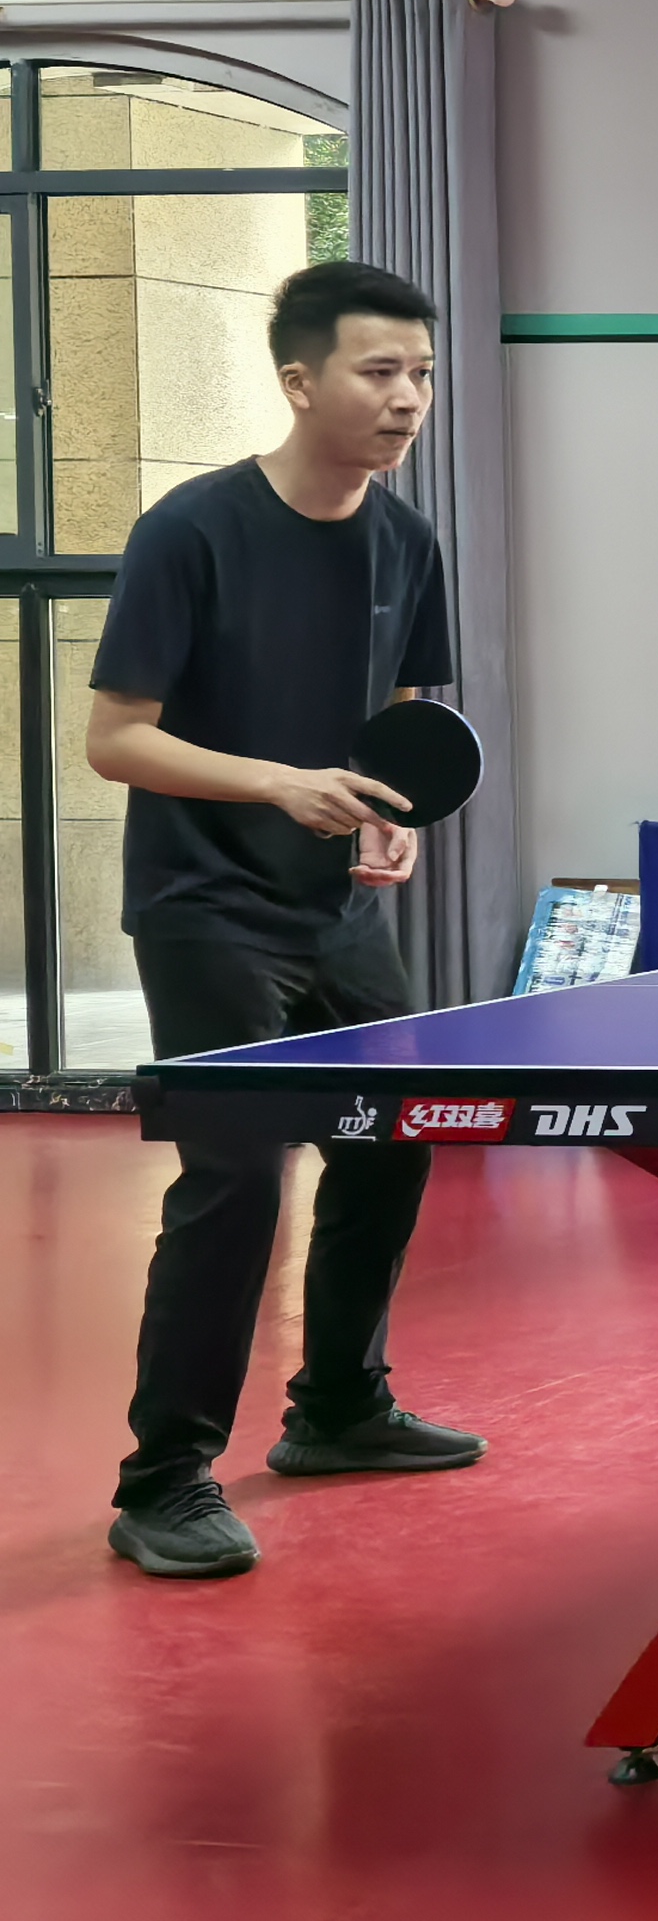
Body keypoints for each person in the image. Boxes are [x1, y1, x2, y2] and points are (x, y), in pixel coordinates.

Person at [86, 261, 487, 1579]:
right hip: (205, 903)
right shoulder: (191, 532)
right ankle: (164, 1479)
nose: (408, 398)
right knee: (241, 1171)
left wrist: (385, 814)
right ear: (301, 380)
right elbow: (116, 740)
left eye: (422, 374)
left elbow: (402, 713)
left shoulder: (405, 542)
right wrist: (276, 783)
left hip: (335, 908)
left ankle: (339, 1409)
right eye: (381, 372)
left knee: (397, 1138)